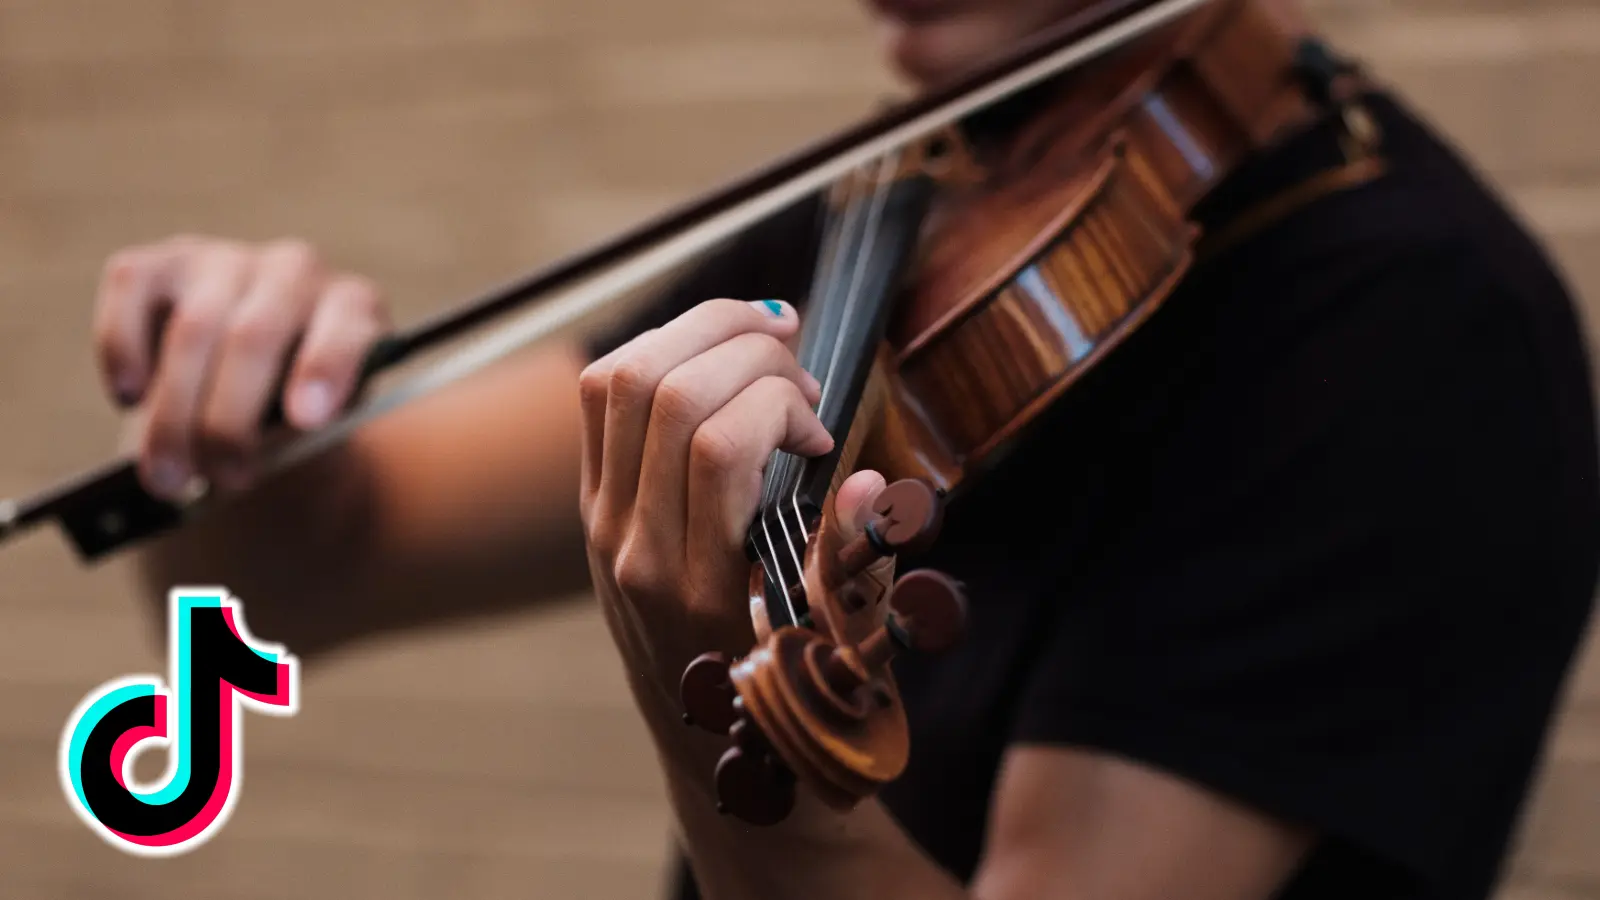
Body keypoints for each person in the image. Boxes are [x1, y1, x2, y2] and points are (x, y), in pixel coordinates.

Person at [88, 0, 1599, 898]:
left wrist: (723, 709)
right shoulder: (927, 192)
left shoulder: (1403, 330)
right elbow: (306, 574)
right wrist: (227, 424)